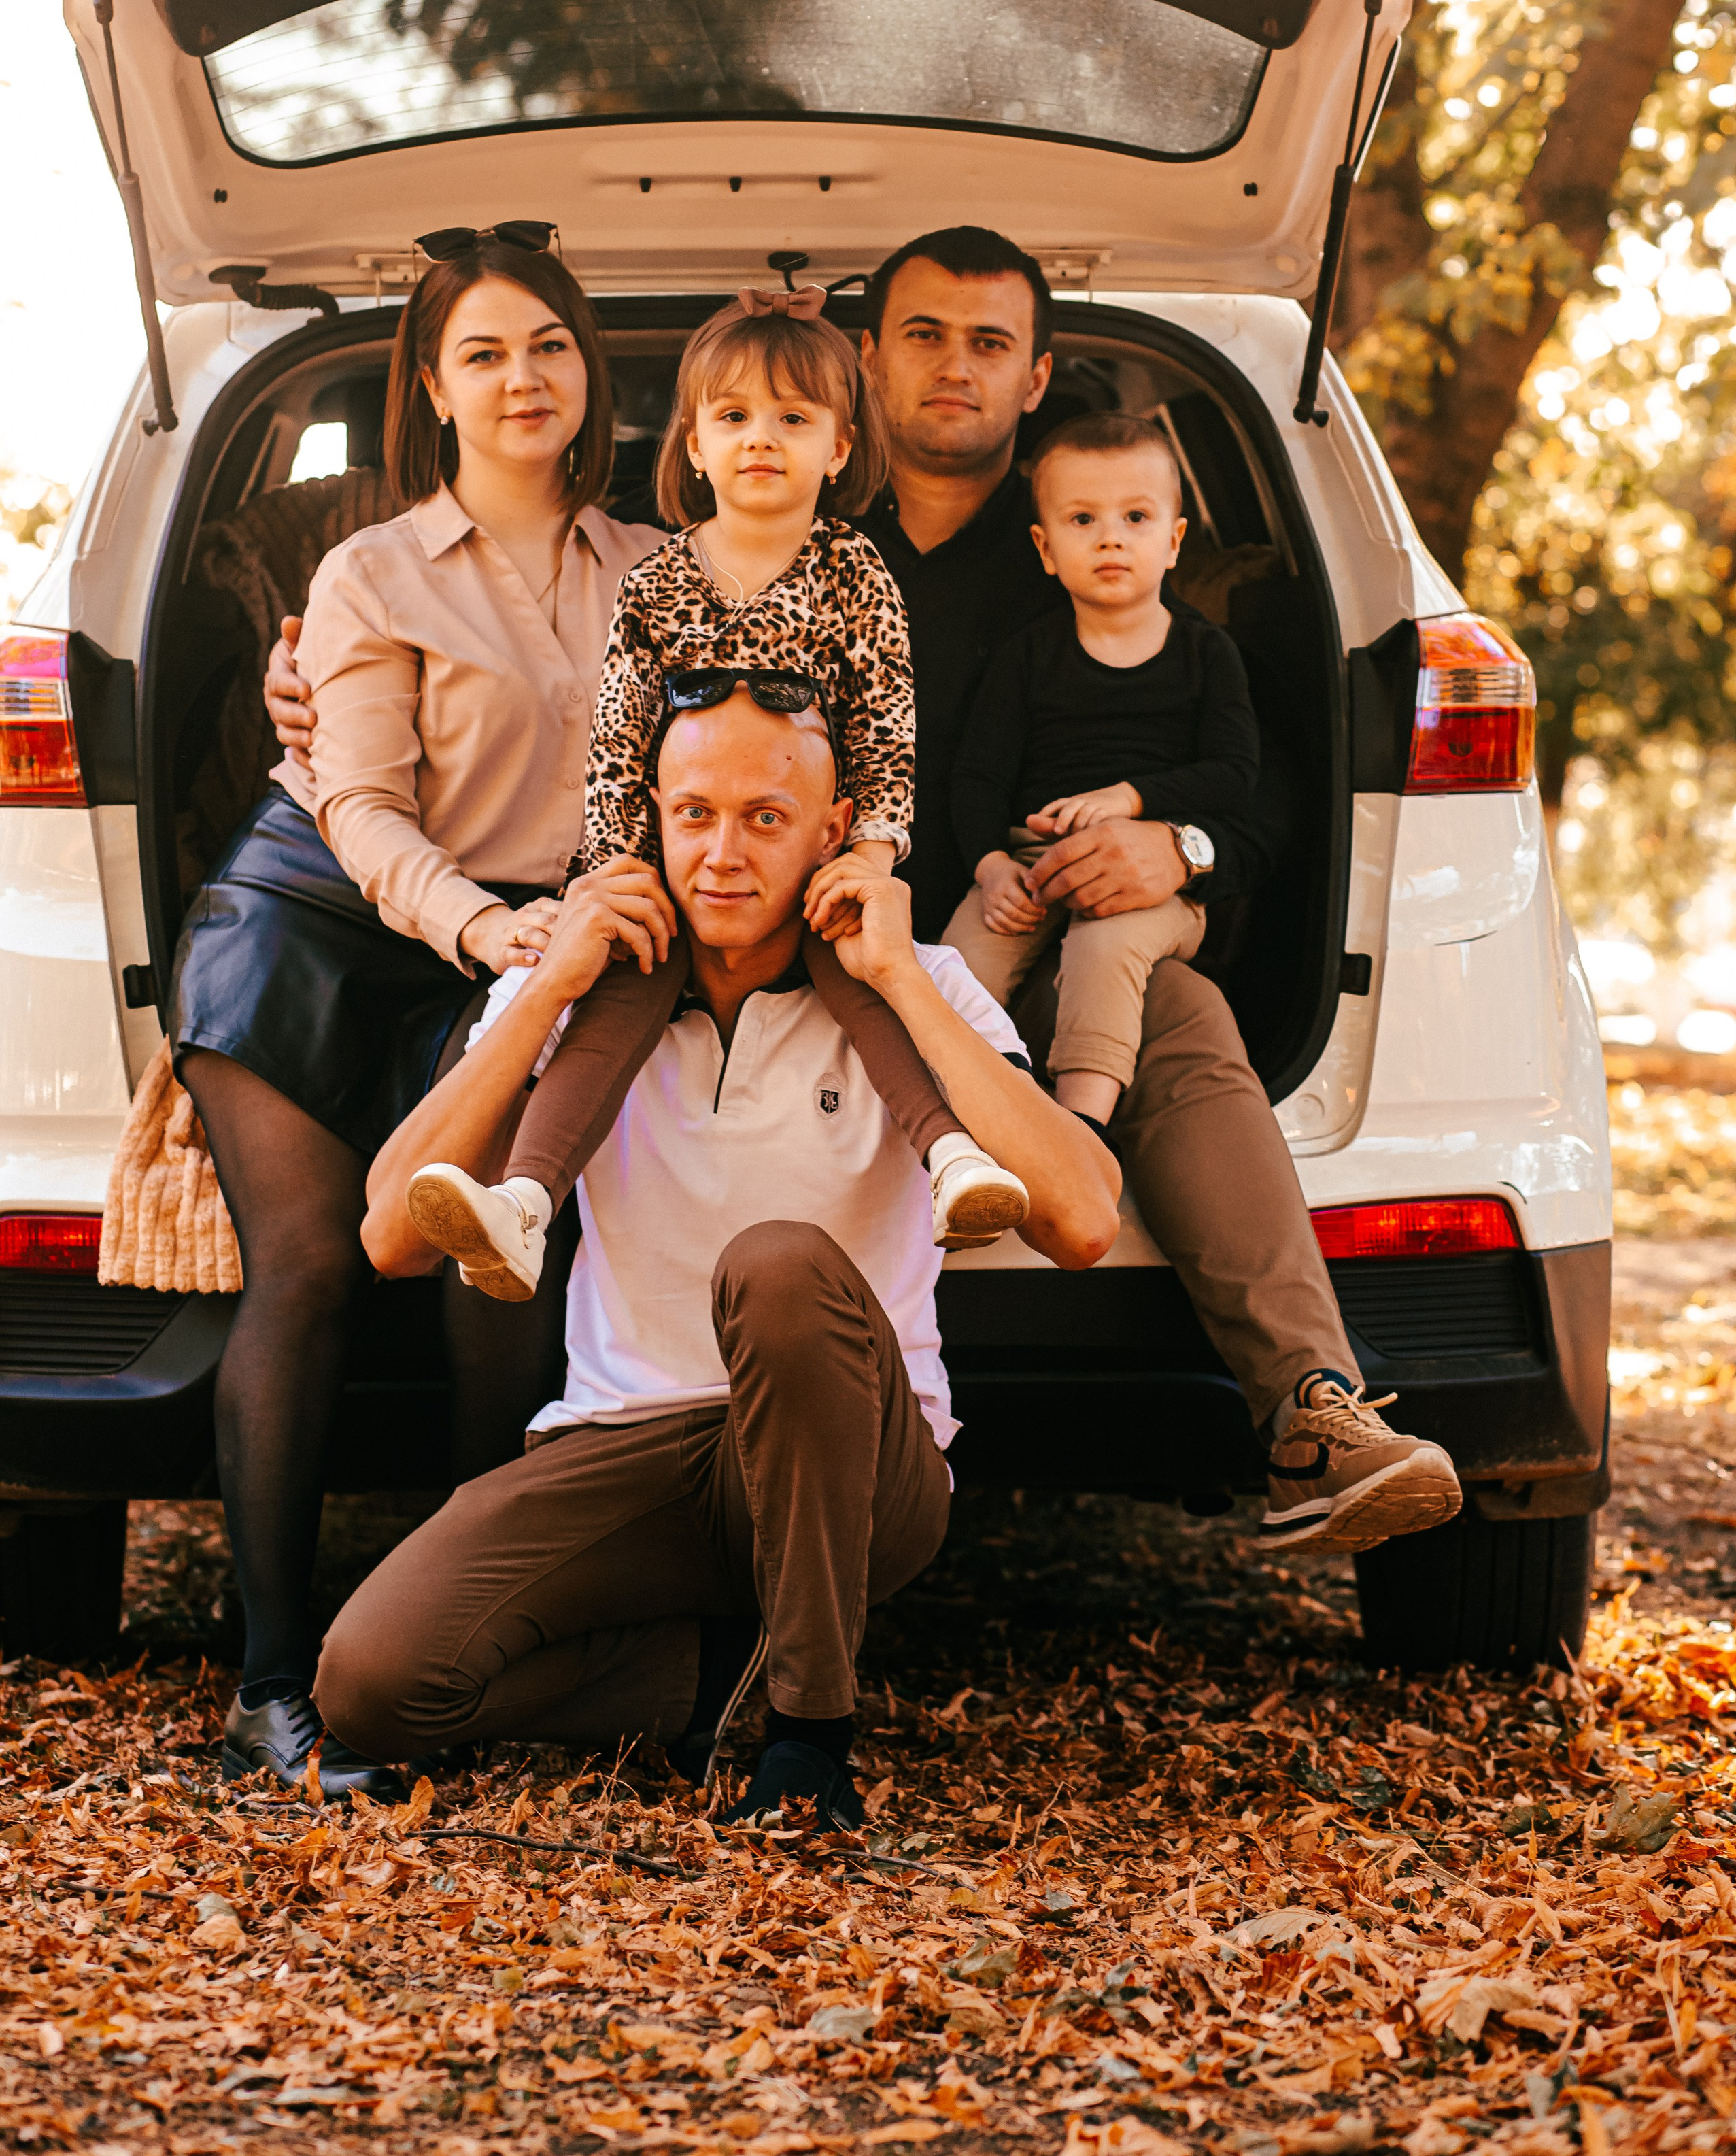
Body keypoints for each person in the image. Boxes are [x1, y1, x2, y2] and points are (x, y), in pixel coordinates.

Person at [267, 224, 1463, 1557]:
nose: (954, 368)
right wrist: (312, 680)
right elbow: (591, 685)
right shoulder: (752, 540)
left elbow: (1269, 774)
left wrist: (1175, 846)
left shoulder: (1088, 536)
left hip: (1004, 937)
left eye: (989, 342)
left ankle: (1314, 1411)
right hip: (757, 924)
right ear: (867, 369)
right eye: (923, 336)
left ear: (1033, 372)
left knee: (1175, 1015)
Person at [314, 682, 1120, 1825]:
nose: (723, 855)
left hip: (856, 1456)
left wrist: (896, 973)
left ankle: (808, 1736)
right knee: (373, 1682)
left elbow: (1083, 1218)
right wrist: (544, 983)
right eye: (692, 815)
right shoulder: (579, 996)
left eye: (765, 818)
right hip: (633, 1440)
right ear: (648, 822)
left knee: (779, 1265)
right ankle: (720, 1680)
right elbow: (391, 1234)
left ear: (833, 835)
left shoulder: (920, 986)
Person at [177, 225, 667, 1800]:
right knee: (313, 1262)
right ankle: (268, 1689)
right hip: (316, 922)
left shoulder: (655, 566)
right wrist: (488, 929)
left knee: (489, 1261)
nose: (519, 376)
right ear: (435, 389)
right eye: (481, 352)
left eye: (545, 344)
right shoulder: (368, 571)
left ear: (587, 371)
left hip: (526, 949)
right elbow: (363, 806)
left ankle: (459, 1643)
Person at [401, 286, 1025, 1309]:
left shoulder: (854, 571)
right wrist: (615, 870)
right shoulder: (658, 580)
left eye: (793, 419)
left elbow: (884, 725)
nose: (761, 441)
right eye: (733, 418)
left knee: (865, 983)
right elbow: (616, 741)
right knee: (616, 991)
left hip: (812, 866)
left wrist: (869, 851)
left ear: (840, 447)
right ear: (693, 446)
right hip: (670, 871)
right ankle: (523, 1199)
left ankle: (953, 1158)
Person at [944, 407, 1259, 1127]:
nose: (1111, 536)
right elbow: (977, 779)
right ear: (1045, 547)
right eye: (1082, 520)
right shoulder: (1028, 656)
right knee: (959, 966)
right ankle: (959, 1130)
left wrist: (1132, 799)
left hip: (1159, 883)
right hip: (1031, 861)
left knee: (1105, 947)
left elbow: (1234, 774)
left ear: (1174, 542)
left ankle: (1079, 1129)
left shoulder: (1206, 655)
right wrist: (991, 867)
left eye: (1137, 517)